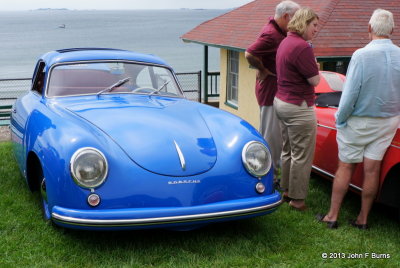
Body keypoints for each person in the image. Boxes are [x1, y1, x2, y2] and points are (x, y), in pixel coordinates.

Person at [317, 9, 400, 229]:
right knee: (373, 169)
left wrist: (340, 119)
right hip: (388, 121)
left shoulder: (361, 55)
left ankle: (332, 216)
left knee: (345, 167)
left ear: (369, 28)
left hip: (358, 120)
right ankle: (363, 219)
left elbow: (350, 94)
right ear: (392, 30)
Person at [245, 1, 300, 180]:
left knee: (273, 135)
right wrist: (261, 69)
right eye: (295, 18)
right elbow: (250, 53)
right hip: (270, 92)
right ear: (286, 16)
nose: (298, 22)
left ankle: (269, 173)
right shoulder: (271, 34)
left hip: (274, 91)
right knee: (271, 137)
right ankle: (268, 177)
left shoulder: (277, 30)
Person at [274, 7, 320, 211]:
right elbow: (315, 80)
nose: (316, 29)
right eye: (314, 25)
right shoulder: (302, 47)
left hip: (282, 102)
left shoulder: (285, 41)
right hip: (298, 106)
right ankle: (297, 200)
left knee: (288, 150)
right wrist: (316, 68)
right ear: (304, 23)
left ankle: (285, 190)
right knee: (302, 155)